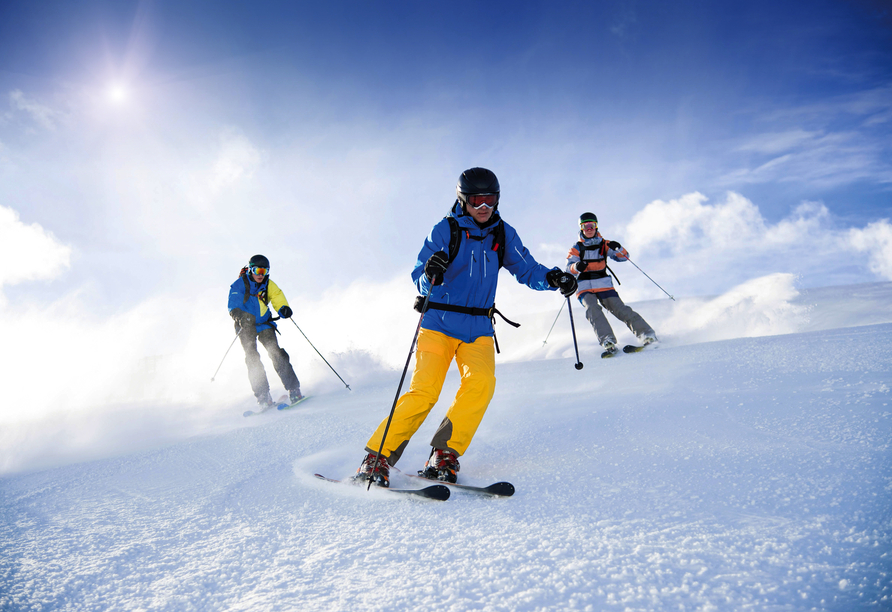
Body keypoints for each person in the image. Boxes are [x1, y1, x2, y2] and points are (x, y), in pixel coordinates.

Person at [352, 167, 578, 487]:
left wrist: (553, 278)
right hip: (438, 324)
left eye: (490, 200)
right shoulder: (446, 230)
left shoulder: (503, 233)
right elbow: (420, 273)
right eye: (477, 201)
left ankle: (444, 454)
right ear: (463, 200)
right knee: (424, 392)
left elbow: (527, 269)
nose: (484, 208)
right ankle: (376, 457)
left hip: (479, 328)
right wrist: (431, 270)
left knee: (482, 384)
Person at [565, 212, 657, 356]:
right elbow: (568, 268)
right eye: (586, 226)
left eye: (592, 225)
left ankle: (647, 335)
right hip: (584, 287)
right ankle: (607, 340)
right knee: (592, 309)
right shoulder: (576, 248)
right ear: (581, 229)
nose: (589, 228)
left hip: (603, 284)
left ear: (596, 226)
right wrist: (577, 267)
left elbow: (624, 257)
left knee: (620, 309)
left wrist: (619, 248)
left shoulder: (605, 244)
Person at [228, 254, 303, 409]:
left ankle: (294, 389)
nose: (261, 274)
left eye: (264, 271)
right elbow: (232, 305)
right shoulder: (240, 284)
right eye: (257, 270)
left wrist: (283, 308)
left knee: (276, 353)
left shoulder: (269, 284)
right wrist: (241, 316)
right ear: (250, 270)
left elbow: (277, 297)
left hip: (264, 324)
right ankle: (263, 396)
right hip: (245, 325)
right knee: (252, 357)